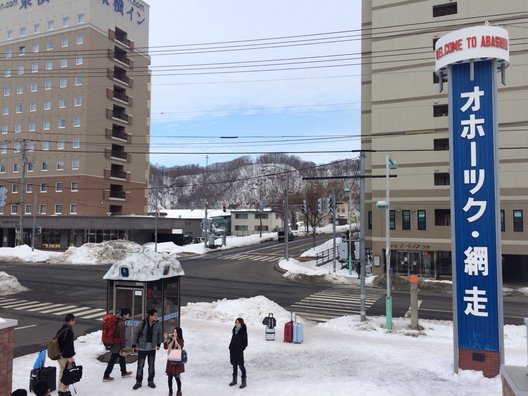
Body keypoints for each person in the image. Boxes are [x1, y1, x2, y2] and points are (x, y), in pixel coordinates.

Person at [132, 308, 163, 390]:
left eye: (156, 315)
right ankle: (138, 382)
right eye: (154, 315)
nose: (156, 317)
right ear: (150, 316)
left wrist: (159, 344)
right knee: (140, 366)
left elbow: (160, 334)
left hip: (152, 348)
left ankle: (151, 381)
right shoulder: (142, 323)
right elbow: (136, 333)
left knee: (151, 365)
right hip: (142, 348)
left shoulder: (158, 323)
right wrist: (133, 345)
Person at [103, 307, 133, 381]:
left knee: (122, 357)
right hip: (117, 344)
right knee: (113, 360)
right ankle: (106, 375)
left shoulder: (118, 320)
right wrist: (124, 346)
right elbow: (122, 336)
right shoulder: (121, 323)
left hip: (116, 343)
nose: (129, 316)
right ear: (124, 315)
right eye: (128, 315)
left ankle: (124, 372)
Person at [57, 313, 76, 396]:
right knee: (68, 373)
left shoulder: (61, 329)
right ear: (70, 321)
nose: (74, 322)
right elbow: (69, 345)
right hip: (65, 356)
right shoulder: (68, 331)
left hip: (59, 355)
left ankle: (60, 388)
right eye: (74, 320)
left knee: (62, 372)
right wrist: (70, 357)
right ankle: (63, 391)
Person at [163, 327, 185, 396]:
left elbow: (179, 347)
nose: (174, 333)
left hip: (177, 361)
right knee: (170, 376)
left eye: (176, 332)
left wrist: (175, 340)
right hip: (171, 360)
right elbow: (165, 347)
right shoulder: (171, 339)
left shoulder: (181, 340)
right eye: (173, 332)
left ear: (179, 333)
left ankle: (179, 390)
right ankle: (170, 390)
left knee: (177, 377)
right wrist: (166, 339)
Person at [228, 317, 248, 389]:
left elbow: (245, 343)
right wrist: (230, 347)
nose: (236, 324)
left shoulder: (243, 331)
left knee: (241, 366)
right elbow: (232, 339)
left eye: (238, 322)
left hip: (239, 351)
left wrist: (240, 349)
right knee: (234, 365)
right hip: (233, 350)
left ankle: (244, 381)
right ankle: (234, 380)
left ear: (241, 323)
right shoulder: (234, 330)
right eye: (235, 322)